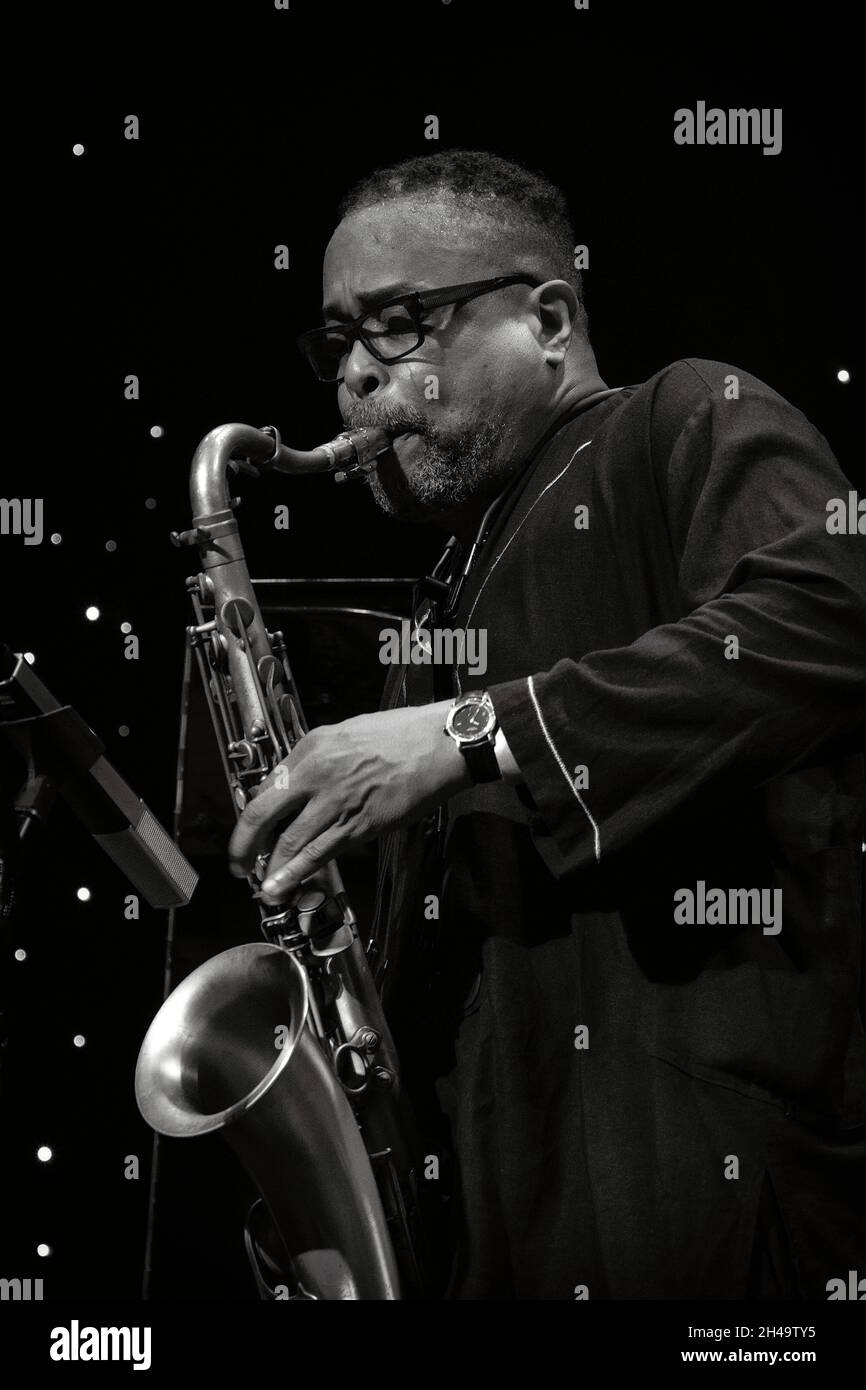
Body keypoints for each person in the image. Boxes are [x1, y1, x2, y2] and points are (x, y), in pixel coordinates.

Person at [228, 148, 866, 1300]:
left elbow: (826, 617)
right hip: (497, 1224)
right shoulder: (447, 587)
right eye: (337, 343)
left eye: (399, 324)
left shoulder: (680, 414)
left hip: (699, 1203)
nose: (357, 380)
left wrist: (469, 731)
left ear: (550, 316)